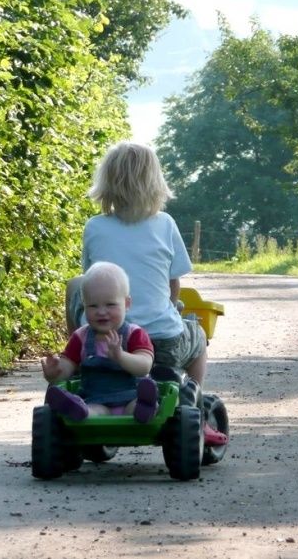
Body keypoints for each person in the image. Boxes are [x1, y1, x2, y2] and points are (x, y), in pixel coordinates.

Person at [69, 141, 228, 445]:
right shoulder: (165, 224)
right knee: (197, 340)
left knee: (76, 288)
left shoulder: (95, 227)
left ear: (106, 182)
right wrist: (170, 306)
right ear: (156, 182)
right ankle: (192, 402)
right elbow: (173, 286)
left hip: (103, 338)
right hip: (161, 341)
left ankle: (77, 359)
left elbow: (94, 282)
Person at [41, 262, 159, 423]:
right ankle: (77, 409)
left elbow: (144, 366)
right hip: (97, 401)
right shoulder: (80, 337)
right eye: (93, 306)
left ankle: (145, 408)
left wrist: (120, 356)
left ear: (127, 304)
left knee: (136, 405)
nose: (101, 312)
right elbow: (67, 368)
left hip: (131, 398)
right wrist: (55, 373)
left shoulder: (134, 333)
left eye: (110, 304)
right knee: (91, 411)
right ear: (84, 306)